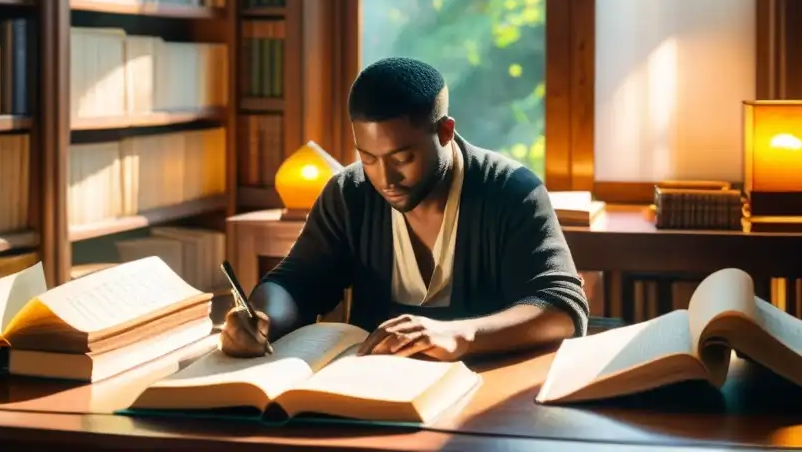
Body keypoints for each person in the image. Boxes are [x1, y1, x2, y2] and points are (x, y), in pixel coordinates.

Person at [221, 57, 589, 361]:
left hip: (486, 392)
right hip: (373, 393)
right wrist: (264, 319)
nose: (386, 179)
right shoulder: (351, 193)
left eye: (404, 158)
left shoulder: (510, 191)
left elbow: (561, 308)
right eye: (368, 158)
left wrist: (462, 333)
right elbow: (296, 282)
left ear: (445, 131)